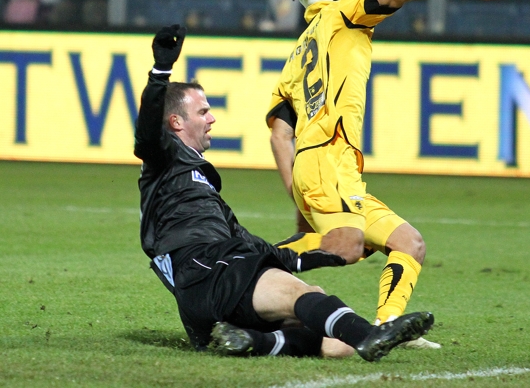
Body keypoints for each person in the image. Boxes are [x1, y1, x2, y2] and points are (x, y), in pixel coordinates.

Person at [266, 0, 520, 346]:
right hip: (330, 161)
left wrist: (298, 198)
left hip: (319, 165)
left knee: (408, 243)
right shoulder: (344, 12)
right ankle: (246, 265)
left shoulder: (297, 54)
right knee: (346, 246)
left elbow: (280, 134)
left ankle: (389, 324)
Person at [134, 24, 435, 360]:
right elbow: (147, 133)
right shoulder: (163, 159)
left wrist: (318, 256)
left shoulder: (204, 188)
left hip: (209, 290)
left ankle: (252, 341)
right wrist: (160, 71)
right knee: (300, 296)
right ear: (176, 122)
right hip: (205, 270)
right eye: (203, 111)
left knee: (336, 342)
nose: (212, 119)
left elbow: (249, 243)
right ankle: (372, 335)